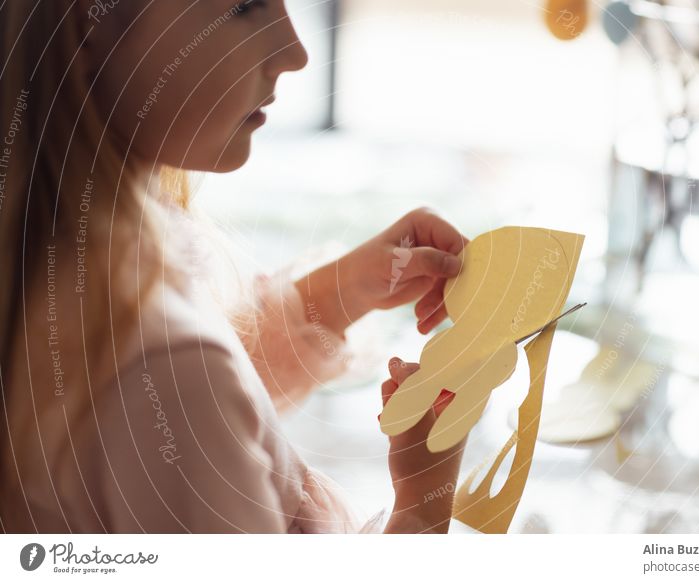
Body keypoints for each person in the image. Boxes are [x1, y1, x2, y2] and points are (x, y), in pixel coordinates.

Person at [0, 0, 468, 533]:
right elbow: (186, 402)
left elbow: (199, 419)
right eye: (245, 7)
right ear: (90, 33)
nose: (295, 52)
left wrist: (340, 293)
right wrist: (424, 500)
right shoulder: (167, 364)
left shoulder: (64, 266)